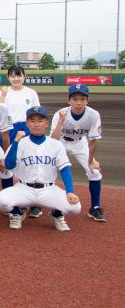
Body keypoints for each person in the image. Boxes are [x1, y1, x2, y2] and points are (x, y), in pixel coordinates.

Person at [0, 106, 82, 231]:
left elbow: (64, 169)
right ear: (27, 123)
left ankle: (56, 214)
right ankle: (17, 213)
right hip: (24, 188)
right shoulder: (20, 143)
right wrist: (15, 142)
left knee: (75, 207)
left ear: (46, 123)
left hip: (48, 189)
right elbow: (9, 165)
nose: (36, 124)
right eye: (32, 121)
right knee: (1, 201)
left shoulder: (55, 145)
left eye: (40, 121)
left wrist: (70, 191)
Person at [50, 84, 105, 222]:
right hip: (60, 142)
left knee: (95, 173)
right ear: (69, 101)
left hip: (80, 143)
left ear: (87, 100)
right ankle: (39, 204)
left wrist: (91, 160)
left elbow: (93, 140)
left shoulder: (93, 114)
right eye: (75, 99)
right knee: (49, 171)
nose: (78, 102)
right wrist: (61, 122)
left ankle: (95, 207)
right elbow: (53, 140)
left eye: (82, 99)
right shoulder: (60, 113)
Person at [0, 65, 42, 217]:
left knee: (31, 163)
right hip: (8, 129)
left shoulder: (31, 92)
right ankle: (8, 202)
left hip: (26, 128)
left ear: (24, 76)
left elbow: (37, 113)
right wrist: (2, 95)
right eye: (12, 76)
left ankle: (35, 204)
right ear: (8, 77)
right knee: (5, 166)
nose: (16, 78)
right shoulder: (3, 92)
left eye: (19, 75)